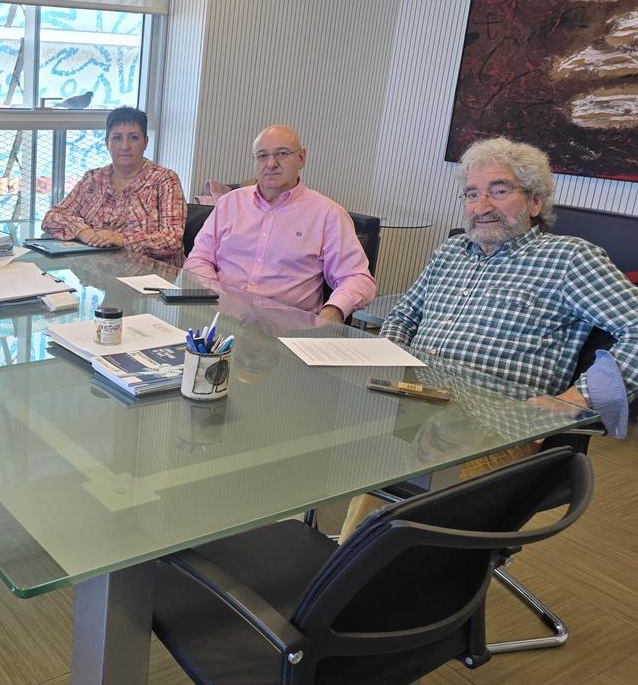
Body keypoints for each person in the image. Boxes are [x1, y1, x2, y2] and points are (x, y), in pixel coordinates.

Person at [340, 136, 638, 538]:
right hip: (417, 409)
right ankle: (346, 577)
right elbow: (405, 314)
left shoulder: (568, 258)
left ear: (534, 202)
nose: (481, 207)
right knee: (345, 469)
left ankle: (384, 585)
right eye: (472, 194)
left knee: (403, 522)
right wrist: (387, 361)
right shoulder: (451, 251)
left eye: (499, 191)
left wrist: (577, 398)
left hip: (497, 429)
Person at [182, 124, 376, 321]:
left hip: (287, 331)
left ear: (301, 158)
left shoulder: (328, 214)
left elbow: (358, 278)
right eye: (262, 156)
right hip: (222, 321)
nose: (271, 163)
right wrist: (218, 297)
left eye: (282, 154)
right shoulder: (229, 204)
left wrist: (331, 313)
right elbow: (198, 259)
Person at [40, 106, 186, 262]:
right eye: (117, 138)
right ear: (106, 143)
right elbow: (53, 217)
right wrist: (83, 232)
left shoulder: (165, 180)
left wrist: (122, 239)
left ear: (145, 142)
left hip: (154, 277)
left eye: (134, 137)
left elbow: (172, 239)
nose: (125, 146)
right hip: (101, 273)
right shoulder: (93, 179)